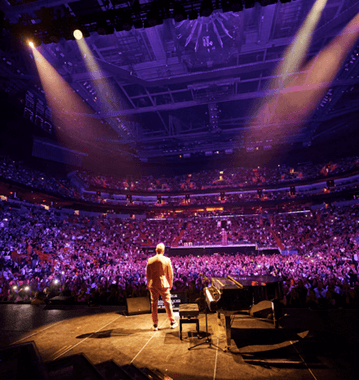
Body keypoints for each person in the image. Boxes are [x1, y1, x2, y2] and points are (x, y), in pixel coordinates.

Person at [146, 243, 178, 331]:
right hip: (164, 284)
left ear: (156, 250)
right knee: (167, 303)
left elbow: (148, 274)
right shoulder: (167, 260)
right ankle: (172, 322)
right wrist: (170, 284)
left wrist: (148, 284)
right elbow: (170, 274)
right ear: (163, 250)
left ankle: (155, 324)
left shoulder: (150, 260)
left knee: (154, 304)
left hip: (153, 284)